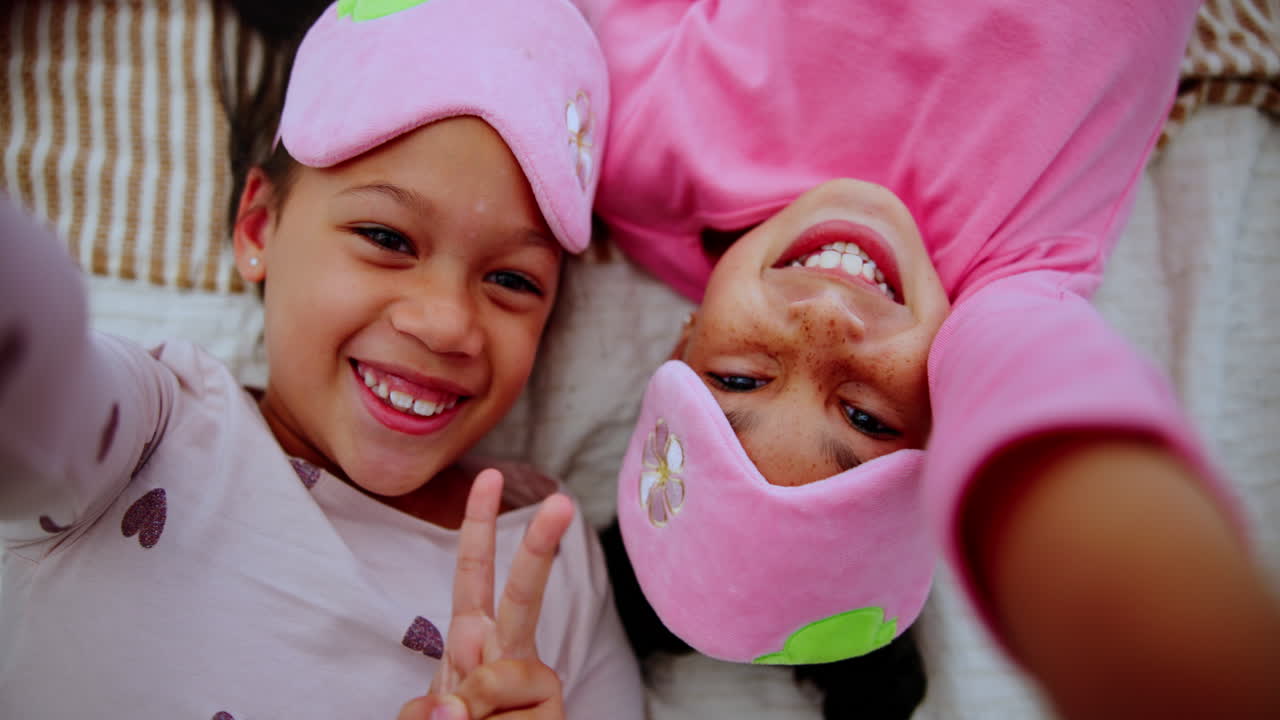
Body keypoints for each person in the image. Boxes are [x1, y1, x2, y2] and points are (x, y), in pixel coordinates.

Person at [572, 0, 1280, 718]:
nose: (822, 319)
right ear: (949, 417)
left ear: (684, 341)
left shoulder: (642, 153)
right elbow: (1046, 428)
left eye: (741, 379)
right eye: (864, 416)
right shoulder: (1007, 280)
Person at [0, 1, 645, 718]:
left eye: (512, 281)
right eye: (387, 237)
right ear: (257, 227)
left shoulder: (551, 556)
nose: (446, 324)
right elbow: (30, 388)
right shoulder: (152, 431)